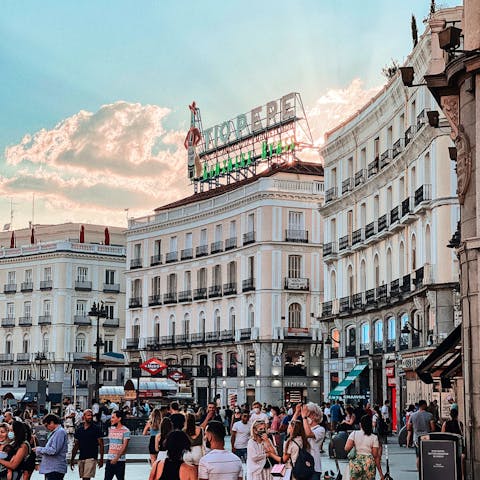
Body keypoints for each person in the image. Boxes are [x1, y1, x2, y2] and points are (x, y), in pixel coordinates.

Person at [345, 415, 384, 480]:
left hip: (356, 464)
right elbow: (375, 455)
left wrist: (354, 445)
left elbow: (346, 448)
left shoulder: (354, 434)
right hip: (369, 464)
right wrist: (381, 473)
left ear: (361, 424)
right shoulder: (374, 437)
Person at [70, 409, 104, 480]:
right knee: (83, 477)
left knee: (86, 478)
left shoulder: (96, 429)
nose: (90, 417)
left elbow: (101, 444)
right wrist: (72, 459)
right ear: (84, 417)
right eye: (88, 415)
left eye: (91, 415)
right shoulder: (79, 430)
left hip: (92, 457)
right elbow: (76, 445)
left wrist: (101, 459)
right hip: (81, 457)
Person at [34, 414, 68, 480]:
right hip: (51, 468)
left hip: (55, 469)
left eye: (47, 425)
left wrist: (39, 449)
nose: (46, 428)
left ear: (52, 422)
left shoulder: (60, 432)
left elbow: (53, 450)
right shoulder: (55, 433)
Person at [297, 403, 325, 480]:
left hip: (314, 467)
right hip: (301, 465)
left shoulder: (320, 429)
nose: (304, 415)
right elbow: (291, 429)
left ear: (314, 415)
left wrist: (304, 418)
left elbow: (309, 433)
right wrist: (296, 412)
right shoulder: (303, 427)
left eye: (307, 413)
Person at [407, 399, 435, 470]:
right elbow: (433, 428)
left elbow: (408, 427)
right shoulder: (429, 415)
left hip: (417, 438)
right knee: (427, 455)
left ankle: (419, 470)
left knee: (418, 456)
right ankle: (427, 470)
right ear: (424, 405)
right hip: (427, 437)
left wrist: (415, 429)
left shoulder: (412, 415)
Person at [104, 410, 130, 480]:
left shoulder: (126, 431)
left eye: (113, 417)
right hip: (109, 459)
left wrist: (116, 458)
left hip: (120, 461)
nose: (111, 419)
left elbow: (124, 447)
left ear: (119, 419)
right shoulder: (110, 429)